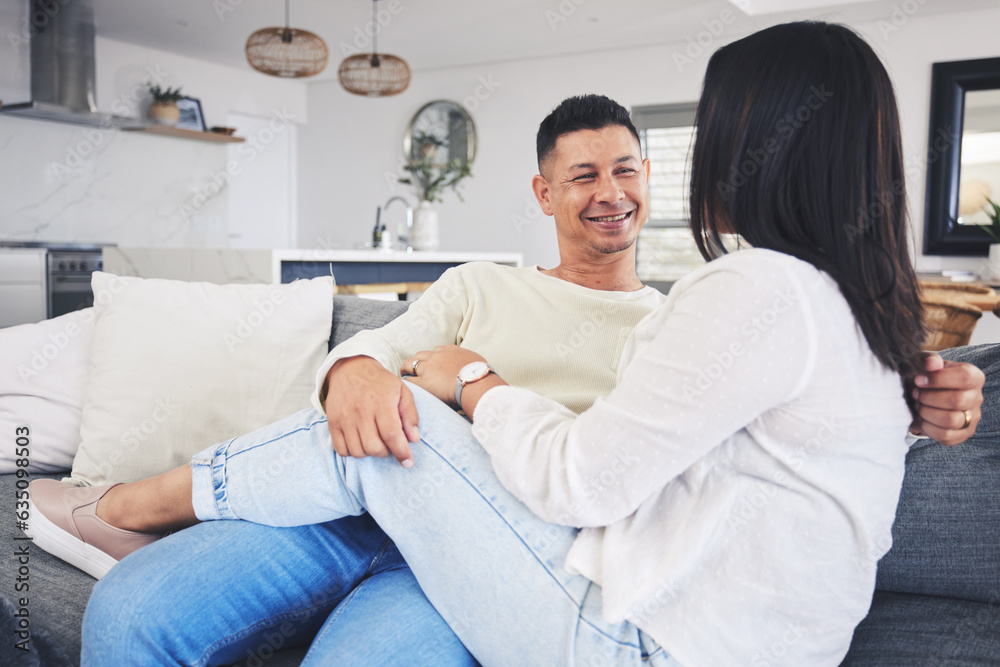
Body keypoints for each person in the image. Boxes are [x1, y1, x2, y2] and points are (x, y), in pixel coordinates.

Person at [31, 72, 982, 664]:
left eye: (627, 170)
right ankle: (133, 511)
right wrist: (351, 370)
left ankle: (124, 502)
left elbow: (765, 445)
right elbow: (374, 353)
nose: (611, 194)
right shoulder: (478, 280)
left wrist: (907, 400)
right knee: (130, 617)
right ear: (542, 192)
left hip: (533, 546)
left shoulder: (696, 321)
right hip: (360, 497)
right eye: (583, 176)